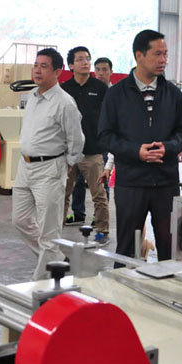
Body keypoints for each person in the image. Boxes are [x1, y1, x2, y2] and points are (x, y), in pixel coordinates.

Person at [98, 30, 182, 261]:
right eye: (157, 54)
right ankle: (123, 285)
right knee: (127, 250)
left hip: (165, 183)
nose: (163, 60)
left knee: (170, 249)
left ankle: (168, 286)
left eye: (165, 54)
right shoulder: (116, 94)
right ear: (139, 55)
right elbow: (105, 136)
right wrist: (135, 152)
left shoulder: (173, 94)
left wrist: (169, 147)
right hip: (131, 183)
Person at [12, 48, 85, 280]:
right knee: (20, 220)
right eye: (36, 65)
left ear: (57, 72)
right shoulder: (33, 96)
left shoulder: (65, 103)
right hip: (25, 167)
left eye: (44, 66)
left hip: (49, 169)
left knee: (49, 231)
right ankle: (57, 259)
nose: (37, 70)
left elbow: (76, 139)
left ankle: (41, 283)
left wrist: (69, 162)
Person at [61, 47, 110, 246]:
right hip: (68, 153)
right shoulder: (64, 89)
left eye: (87, 59)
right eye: (80, 59)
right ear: (71, 65)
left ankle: (102, 231)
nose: (85, 62)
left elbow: (109, 116)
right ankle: (55, 230)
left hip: (93, 151)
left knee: (99, 194)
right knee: (62, 194)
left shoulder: (100, 88)